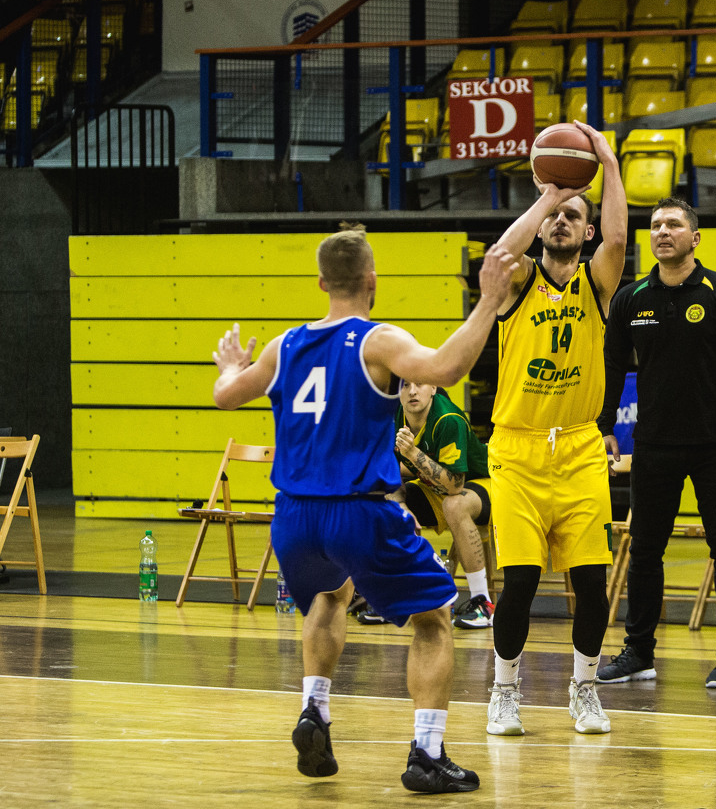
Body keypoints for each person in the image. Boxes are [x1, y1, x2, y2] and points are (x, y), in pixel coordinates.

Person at [210, 224, 517, 793]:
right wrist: (490, 301)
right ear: (372, 280)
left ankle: (315, 710)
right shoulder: (377, 341)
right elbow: (447, 368)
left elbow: (226, 395)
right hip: (357, 510)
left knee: (329, 595)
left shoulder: (284, 346)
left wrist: (230, 365)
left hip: (294, 517)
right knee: (434, 618)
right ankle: (427, 754)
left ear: (321, 282)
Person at [485, 123, 626, 737]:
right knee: (519, 582)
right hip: (516, 449)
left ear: (587, 232)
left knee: (592, 583)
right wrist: (549, 195)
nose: (563, 221)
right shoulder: (518, 283)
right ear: (541, 225)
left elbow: (619, 237)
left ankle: (584, 690)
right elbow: (500, 255)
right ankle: (503, 692)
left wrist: (609, 165)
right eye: (554, 216)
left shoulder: (598, 283)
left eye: (574, 215)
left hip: (579, 447)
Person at [595, 197, 716, 689]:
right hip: (654, 444)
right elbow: (612, 366)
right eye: (655, 225)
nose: (662, 232)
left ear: (695, 238)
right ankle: (639, 652)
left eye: (673, 224)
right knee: (645, 550)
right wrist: (604, 426)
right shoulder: (631, 299)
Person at [393, 379, 496, 630]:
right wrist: (400, 505)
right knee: (381, 503)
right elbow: (389, 471)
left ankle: (482, 602)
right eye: (405, 385)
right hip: (435, 485)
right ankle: (392, 597)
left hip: (482, 483)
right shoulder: (398, 415)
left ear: (433, 388)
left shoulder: (448, 419)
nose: (412, 391)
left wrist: (413, 453)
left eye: (420, 384)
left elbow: (455, 486)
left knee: (454, 505)